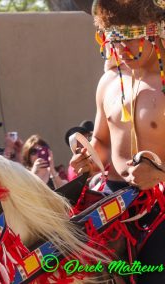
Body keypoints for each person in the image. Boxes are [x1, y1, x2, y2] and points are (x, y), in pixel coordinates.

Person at [70, 1, 165, 282]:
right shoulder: (108, 81)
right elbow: (101, 141)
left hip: (160, 209)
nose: (121, 50)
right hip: (109, 203)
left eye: (130, 39)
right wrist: (88, 156)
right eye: (114, 40)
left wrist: (160, 174)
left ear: (156, 33)